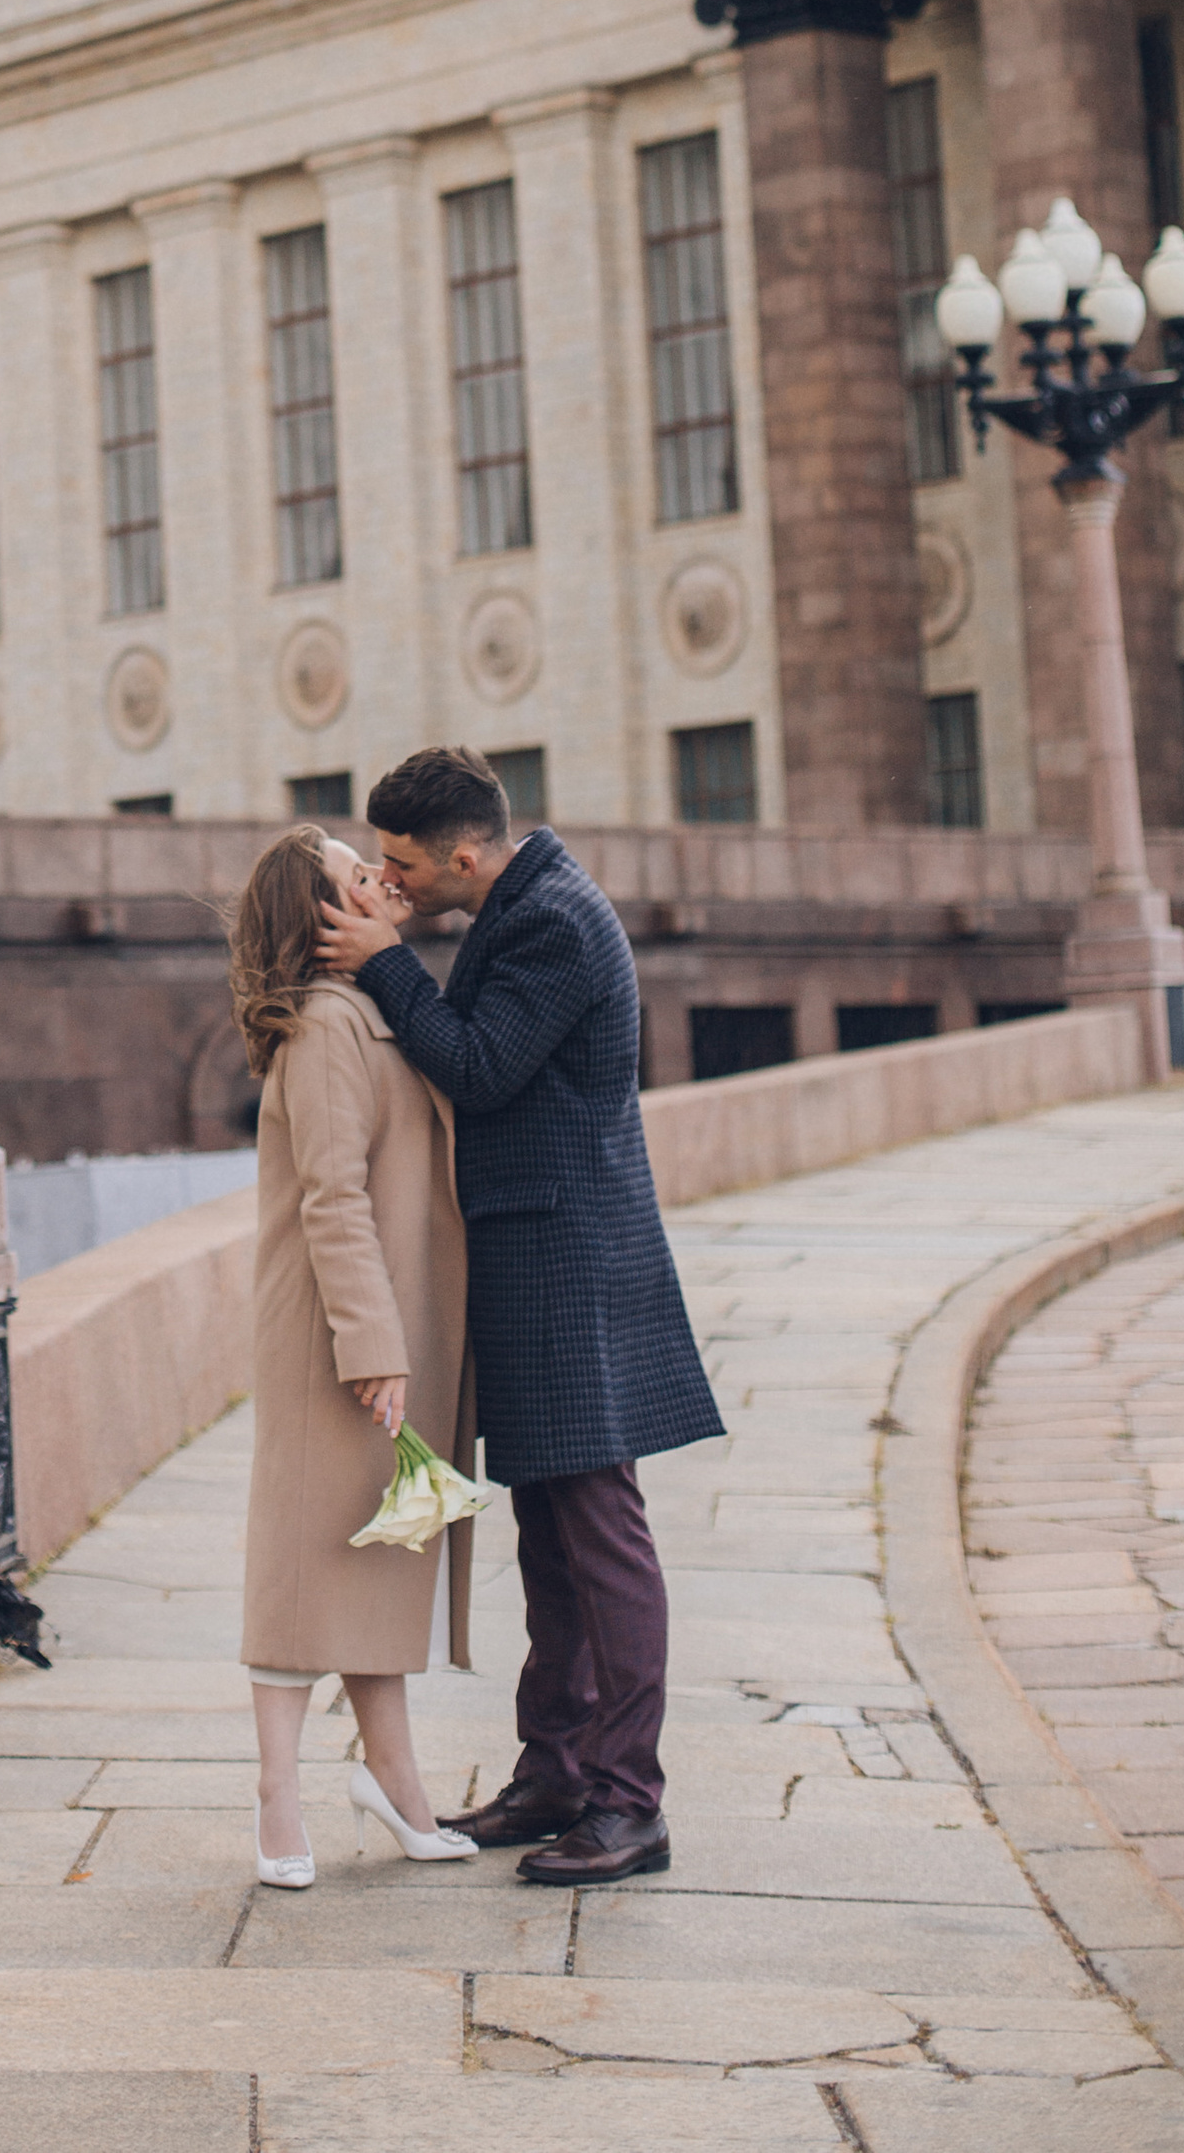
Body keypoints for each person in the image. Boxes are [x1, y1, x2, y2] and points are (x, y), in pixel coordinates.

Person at [316, 745, 722, 1883]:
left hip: (568, 1264)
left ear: (462, 855)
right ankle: (553, 1775)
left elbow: (480, 1068)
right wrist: (400, 947)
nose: (391, 882)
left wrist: (387, 962)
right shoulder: (525, 902)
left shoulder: (553, 919)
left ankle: (630, 1803)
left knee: (600, 1537)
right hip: (537, 1256)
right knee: (550, 1537)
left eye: (402, 865)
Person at [230, 822, 479, 1889]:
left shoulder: (373, 1009)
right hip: (338, 1333)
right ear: (321, 915)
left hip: (388, 1326)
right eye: (351, 872)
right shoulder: (331, 1026)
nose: (377, 877)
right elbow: (331, 1200)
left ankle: (392, 1777)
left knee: (376, 1555)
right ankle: (276, 1795)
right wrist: (371, 1345)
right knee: (303, 1562)